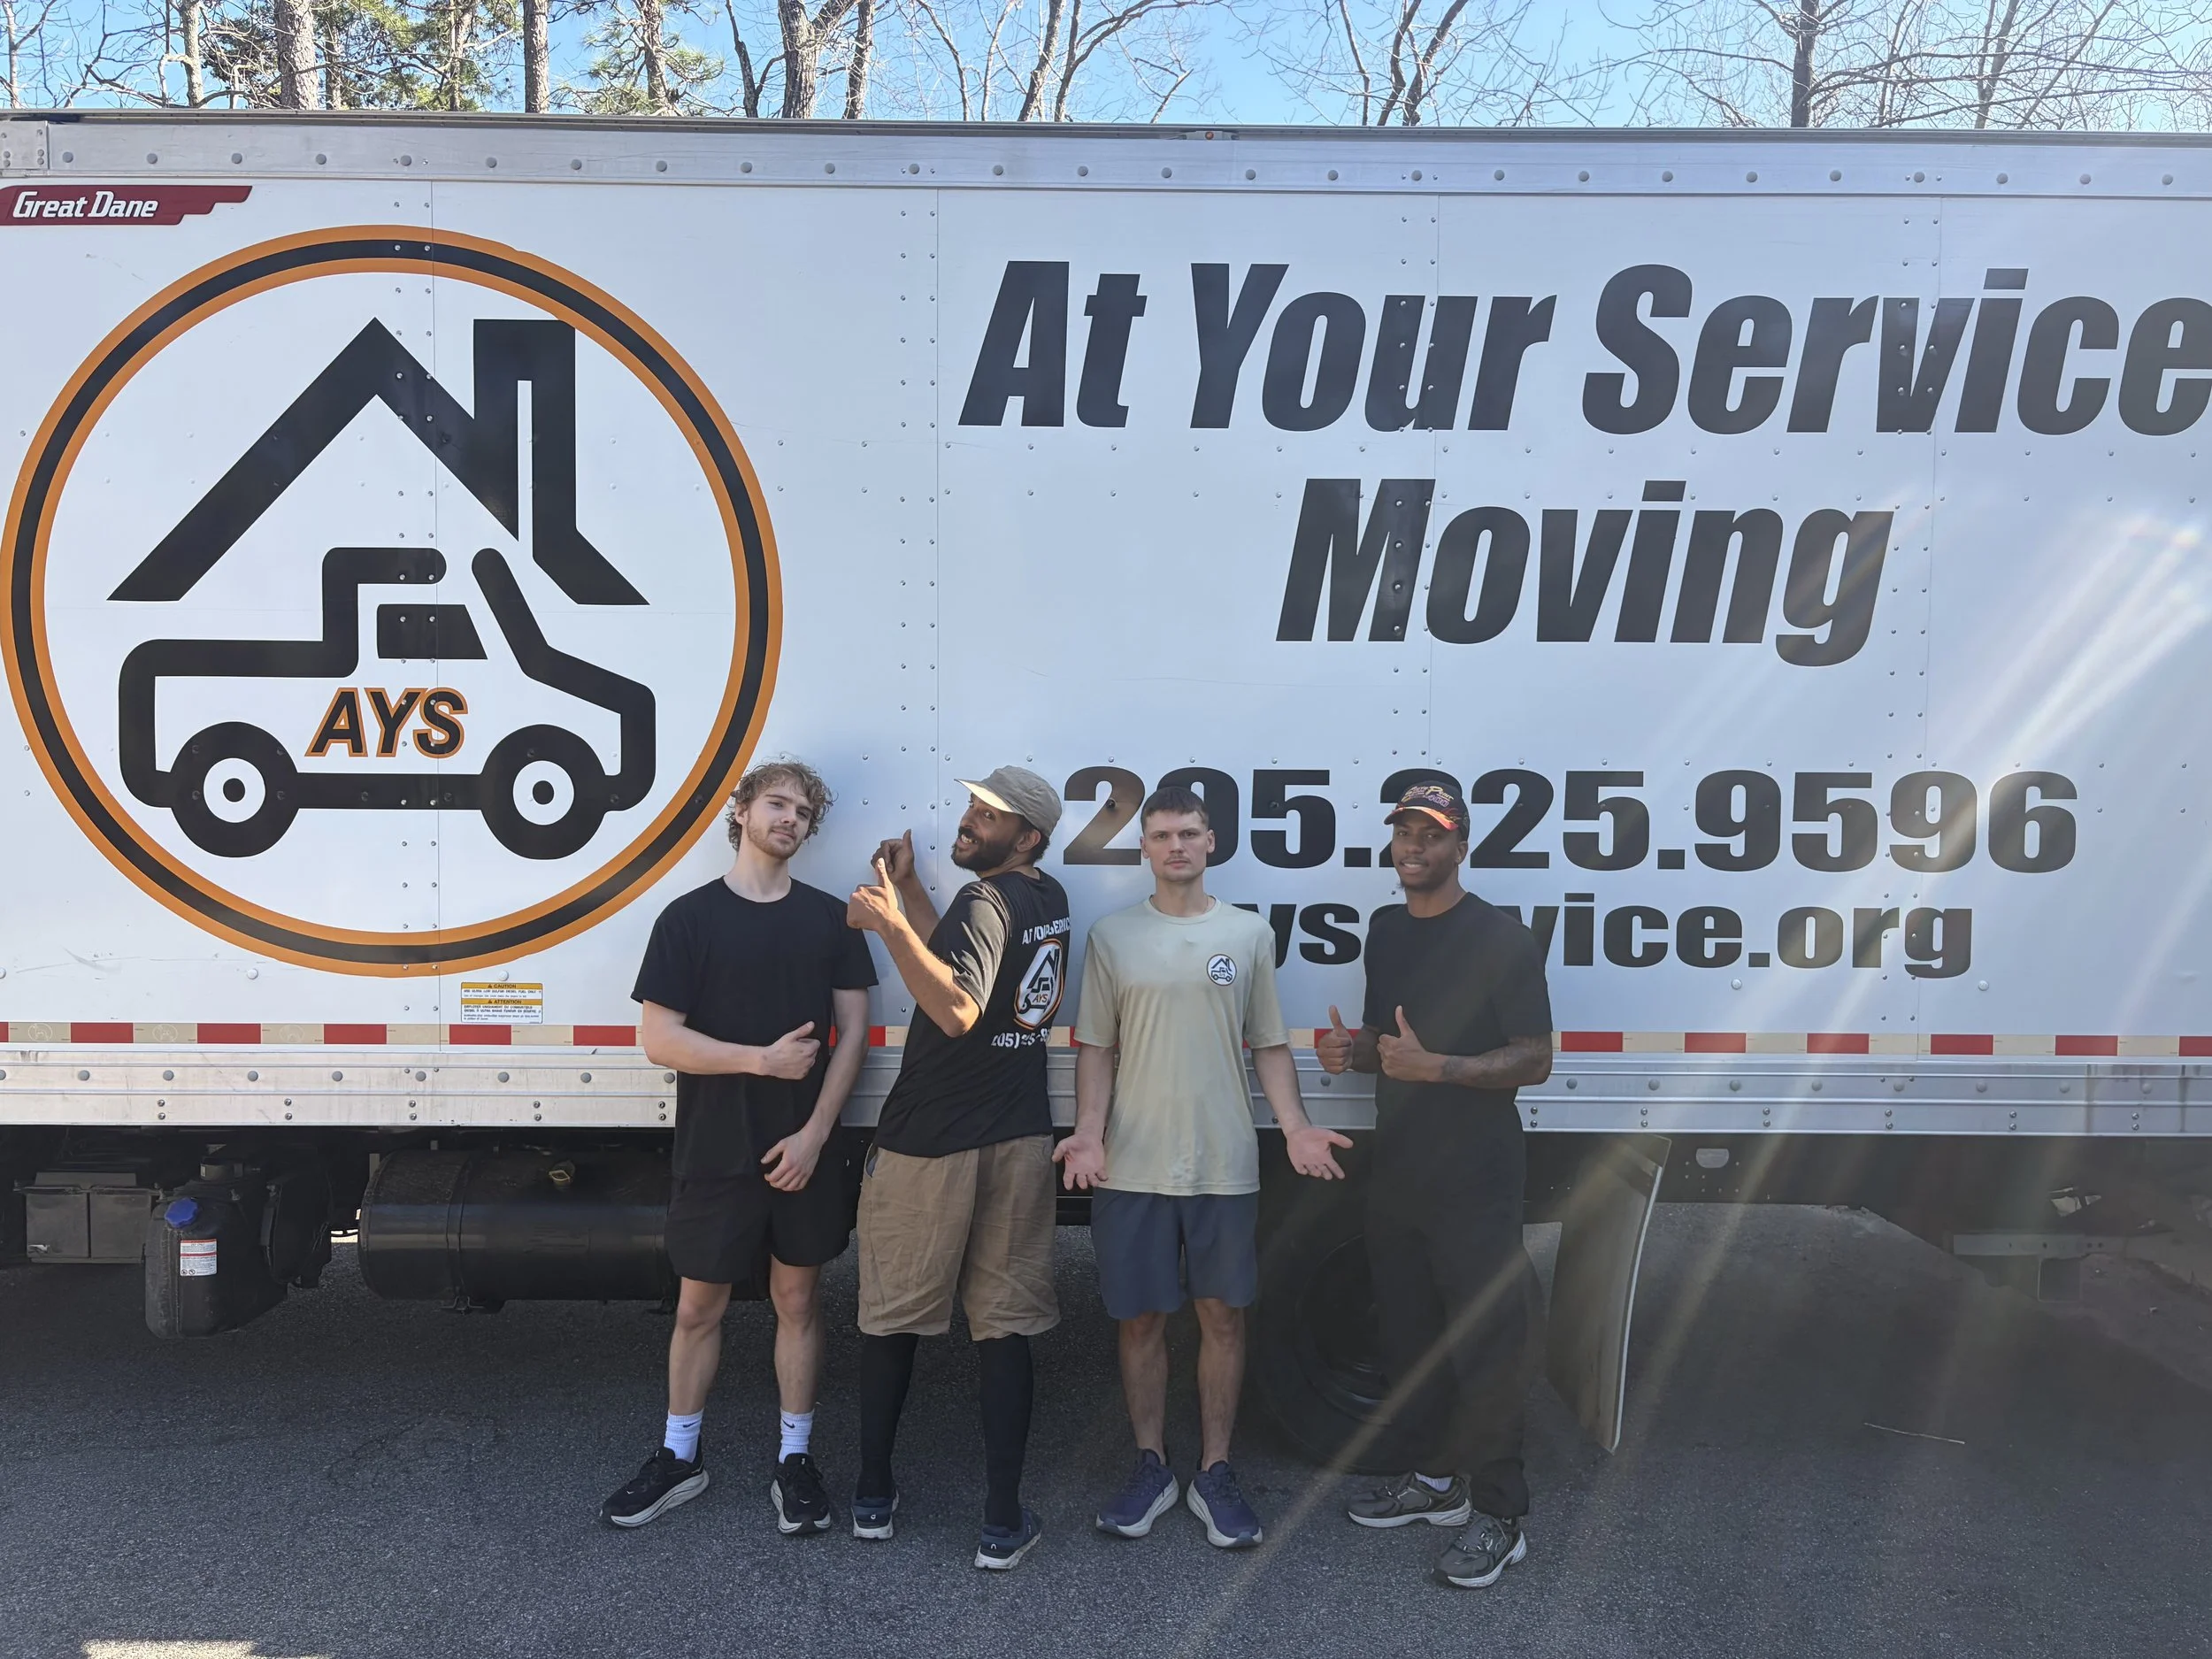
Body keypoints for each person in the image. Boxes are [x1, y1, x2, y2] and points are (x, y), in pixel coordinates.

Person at [1056, 785, 1353, 1549]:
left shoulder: (1249, 934)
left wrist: (1295, 1127)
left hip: (1223, 1163)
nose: (1176, 845)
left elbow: (1269, 1044)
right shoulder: (1113, 936)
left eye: (1188, 832)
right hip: (1132, 1165)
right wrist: (1088, 1132)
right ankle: (1152, 1464)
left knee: (1222, 1316)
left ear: (1211, 841)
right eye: (1161, 835)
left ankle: (1215, 1471)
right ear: (1145, 848)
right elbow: (1096, 1046)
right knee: (1142, 1319)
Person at [600, 761, 877, 1538]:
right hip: (717, 1148)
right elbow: (659, 1038)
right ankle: (679, 1456)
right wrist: (760, 1059)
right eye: (777, 804)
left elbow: (853, 1032)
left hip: (806, 1148)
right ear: (741, 811)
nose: (790, 819)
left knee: (797, 1301)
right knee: (697, 1306)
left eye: (802, 813)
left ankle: (796, 1461)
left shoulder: (831, 919)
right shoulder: (688, 919)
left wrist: (817, 1133)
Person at [1315, 782, 1554, 1591]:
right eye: (1404, 831)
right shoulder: (1385, 930)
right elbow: (1391, 1032)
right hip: (1401, 1170)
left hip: (1477, 1175)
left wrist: (1438, 1067)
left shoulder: (1502, 938)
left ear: (1461, 844)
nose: (1413, 845)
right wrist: (1356, 1048)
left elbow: (1534, 1057)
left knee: (1488, 1346)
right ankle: (1439, 1481)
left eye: (1431, 833)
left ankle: (1501, 1516)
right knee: (1410, 1339)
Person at [843, 765, 1071, 1571]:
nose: (971, 820)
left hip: (929, 1142)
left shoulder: (986, 900)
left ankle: (873, 1495)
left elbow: (958, 1007)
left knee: (894, 1317)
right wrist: (911, 900)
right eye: (974, 806)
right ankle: (1002, 1521)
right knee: (1003, 1328)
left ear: (1030, 837)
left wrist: (885, 923)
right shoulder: (1045, 898)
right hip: (1015, 1137)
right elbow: (972, 961)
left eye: (992, 816)